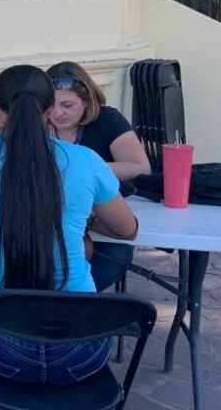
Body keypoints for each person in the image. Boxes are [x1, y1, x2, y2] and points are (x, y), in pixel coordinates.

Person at [0, 65, 138, 391]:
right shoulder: (85, 161)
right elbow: (128, 229)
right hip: (80, 349)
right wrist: (82, 219)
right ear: (51, 109)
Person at [46, 61, 152, 291]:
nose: (57, 113)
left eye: (67, 105)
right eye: (50, 106)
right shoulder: (38, 123)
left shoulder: (107, 119)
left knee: (91, 277)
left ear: (87, 101)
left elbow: (141, 168)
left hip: (103, 223)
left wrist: (88, 170)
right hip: (49, 226)